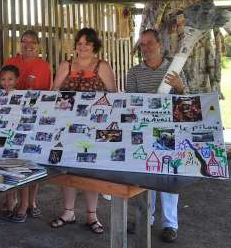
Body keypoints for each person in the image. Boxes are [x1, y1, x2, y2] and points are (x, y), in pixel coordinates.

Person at [50, 27, 116, 234]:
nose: (83, 47)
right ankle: (68, 212)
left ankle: (92, 215)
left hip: (93, 127)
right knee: (67, 168)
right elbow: (53, 91)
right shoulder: (66, 65)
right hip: (67, 126)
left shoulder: (102, 66)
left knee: (90, 170)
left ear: (95, 45)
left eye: (87, 43)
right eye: (79, 43)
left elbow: (113, 95)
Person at [126, 29, 187, 243]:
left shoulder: (175, 70)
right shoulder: (134, 72)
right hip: (142, 131)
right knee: (145, 177)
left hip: (166, 131)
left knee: (168, 177)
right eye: (142, 44)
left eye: (150, 43)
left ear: (160, 44)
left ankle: (170, 224)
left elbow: (187, 102)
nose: (146, 48)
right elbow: (130, 103)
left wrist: (180, 88)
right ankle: (146, 218)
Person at [0, 65, 35, 223]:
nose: (7, 83)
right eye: (3, 79)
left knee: (22, 173)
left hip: (19, 140)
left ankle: (24, 205)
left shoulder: (24, 96)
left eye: (10, 79)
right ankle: (10, 201)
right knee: (5, 170)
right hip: (4, 139)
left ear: (17, 80)